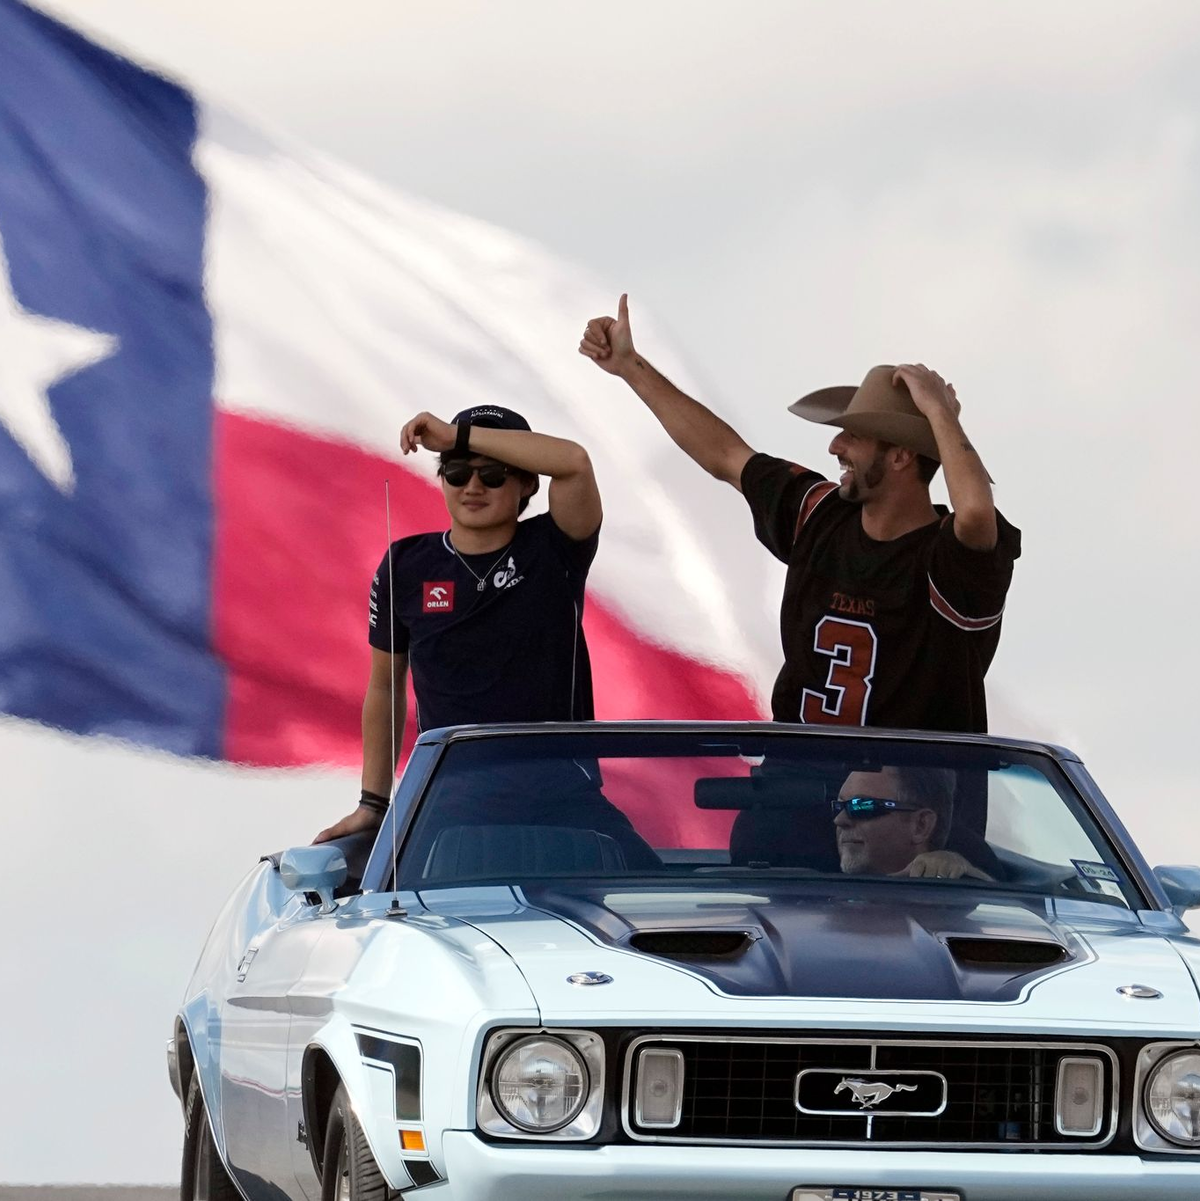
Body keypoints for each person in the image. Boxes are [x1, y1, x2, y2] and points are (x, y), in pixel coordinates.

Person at [579, 296, 1020, 734]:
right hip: (797, 789)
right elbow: (726, 454)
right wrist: (629, 365)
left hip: (914, 802)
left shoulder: (949, 560)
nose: (835, 446)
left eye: (855, 435)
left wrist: (940, 413)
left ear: (902, 456)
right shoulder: (819, 513)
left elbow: (977, 512)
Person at [314, 404, 603, 846]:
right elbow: (385, 687)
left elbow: (574, 463)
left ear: (528, 483)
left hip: (561, 797)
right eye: (456, 472)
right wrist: (372, 805)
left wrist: (457, 436)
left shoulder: (556, 545)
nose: (472, 486)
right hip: (451, 805)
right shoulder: (406, 564)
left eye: (493, 475)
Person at [833, 766, 989, 880]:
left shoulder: (948, 910)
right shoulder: (813, 889)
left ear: (921, 825)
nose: (839, 820)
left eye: (862, 806)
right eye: (839, 806)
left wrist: (958, 874)